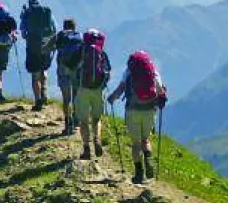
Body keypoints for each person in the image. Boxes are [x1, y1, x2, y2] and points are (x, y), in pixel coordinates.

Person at [107, 51, 168, 185]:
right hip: (149, 110)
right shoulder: (153, 71)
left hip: (133, 109)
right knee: (145, 140)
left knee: (136, 143)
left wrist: (112, 98)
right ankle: (148, 158)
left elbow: (121, 89)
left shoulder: (129, 72)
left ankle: (139, 174)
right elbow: (160, 91)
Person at [71, 29, 111, 159]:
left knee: (83, 121)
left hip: (83, 89)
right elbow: (107, 71)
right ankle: (97, 139)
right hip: (97, 90)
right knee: (96, 119)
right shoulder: (102, 53)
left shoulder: (81, 51)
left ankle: (86, 148)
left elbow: (70, 64)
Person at [43, 18, 82, 134]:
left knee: (66, 99)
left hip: (63, 68)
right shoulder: (79, 36)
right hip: (77, 68)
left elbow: (45, 49)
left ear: (64, 26)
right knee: (76, 96)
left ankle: (67, 124)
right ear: (74, 27)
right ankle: (76, 121)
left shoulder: (59, 35)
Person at [20, 0, 57, 111]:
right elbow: (54, 29)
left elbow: (23, 33)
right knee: (43, 70)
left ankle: (38, 100)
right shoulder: (47, 13)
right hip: (46, 46)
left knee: (35, 75)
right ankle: (44, 94)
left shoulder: (27, 13)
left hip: (32, 47)